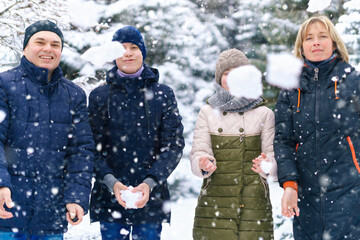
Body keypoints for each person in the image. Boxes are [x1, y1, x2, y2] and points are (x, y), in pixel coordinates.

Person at [0, 20, 94, 239]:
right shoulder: (3, 84)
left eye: (55, 44)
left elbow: (80, 151)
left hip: (50, 219)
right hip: (6, 215)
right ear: (25, 48)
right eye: (40, 42)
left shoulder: (74, 95)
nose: (48, 49)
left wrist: (76, 195)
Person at [88, 26, 185, 240]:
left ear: (142, 52)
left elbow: (174, 144)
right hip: (109, 197)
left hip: (151, 198)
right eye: (121, 48)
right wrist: (112, 183)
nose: (128, 53)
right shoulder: (99, 97)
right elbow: (90, 147)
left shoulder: (163, 94)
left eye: (134, 47)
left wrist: (149, 183)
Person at [274, 15, 360, 239]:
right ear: (301, 46)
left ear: (333, 42)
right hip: (306, 194)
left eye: (323, 36)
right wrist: (290, 185)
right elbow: (283, 139)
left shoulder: (352, 80)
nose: (316, 43)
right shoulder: (290, 86)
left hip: (350, 191)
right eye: (309, 38)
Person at [190, 48, 277, 240]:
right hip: (215, 202)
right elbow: (198, 152)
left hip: (254, 204)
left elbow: (274, 160)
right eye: (226, 74)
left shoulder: (264, 114)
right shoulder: (207, 112)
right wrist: (202, 163)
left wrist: (268, 165)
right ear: (219, 79)